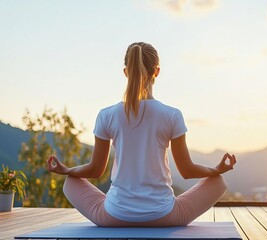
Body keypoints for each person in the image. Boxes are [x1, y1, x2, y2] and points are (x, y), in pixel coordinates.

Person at [46, 42, 236, 227]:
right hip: (165, 216)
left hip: (114, 217)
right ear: (157, 72)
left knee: (71, 182)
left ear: (125, 72)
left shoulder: (107, 115)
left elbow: (96, 170)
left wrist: (66, 170)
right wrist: (216, 169)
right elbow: (187, 171)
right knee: (217, 181)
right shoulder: (172, 115)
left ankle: (116, 204)